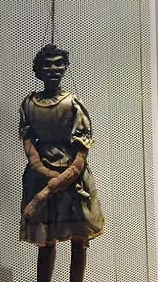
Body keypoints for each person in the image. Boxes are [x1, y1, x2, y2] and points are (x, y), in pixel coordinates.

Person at [20, 44, 105, 282]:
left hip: (74, 179)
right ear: (38, 70)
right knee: (46, 241)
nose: (54, 68)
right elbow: (29, 146)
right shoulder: (29, 103)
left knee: (79, 240)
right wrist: (45, 174)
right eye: (47, 64)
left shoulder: (73, 103)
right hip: (39, 176)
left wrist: (58, 181)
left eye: (59, 63)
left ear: (66, 67)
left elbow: (81, 154)